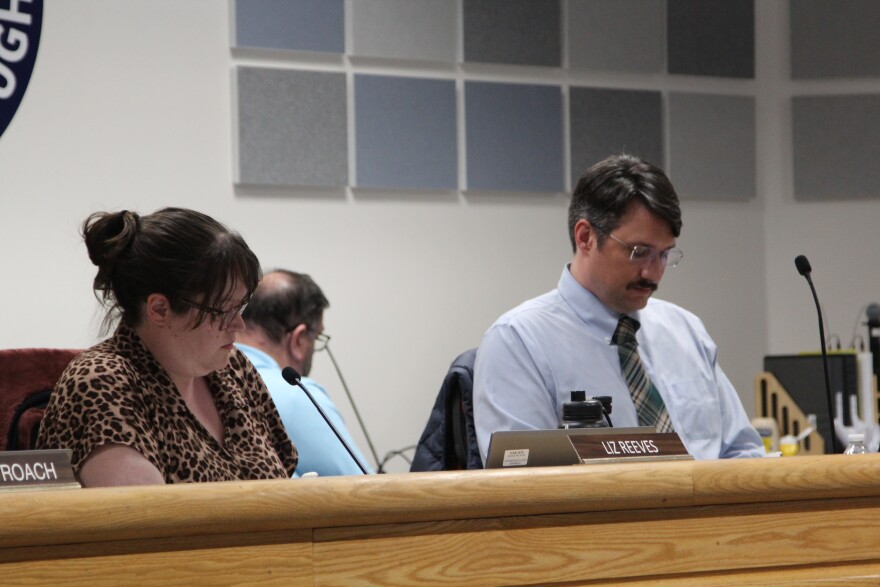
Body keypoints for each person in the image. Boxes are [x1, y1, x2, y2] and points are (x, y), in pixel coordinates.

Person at [473, 154, 764, 462]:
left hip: (703, 507)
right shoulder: (518, 342)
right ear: (585, 237)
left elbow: (743, 452)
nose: (652, 273)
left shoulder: (686, 331)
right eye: (639, 252)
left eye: (664, 255)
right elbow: (522, 484)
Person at [37, 208, 298, 486]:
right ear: (160, 309)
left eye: (241, 306)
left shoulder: (234, 368)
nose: (239, 325)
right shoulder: (101, 380)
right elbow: (146, 520)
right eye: (222, 311)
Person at [236, 270, 372, 476]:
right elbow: (367, 490)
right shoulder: (296, 395)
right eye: (316, 337)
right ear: (299, 339)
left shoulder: (200, 378)